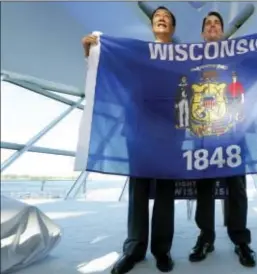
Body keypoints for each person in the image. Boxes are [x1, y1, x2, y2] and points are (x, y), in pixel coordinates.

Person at [81, 6, 177, 274]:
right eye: (158, 15)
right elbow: (109, 70)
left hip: (170, 132)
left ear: (173, 28)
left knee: (165, 195)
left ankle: (162, 250)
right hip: (139, 129)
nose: (161, 18)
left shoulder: (184, 56)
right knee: (138, 193)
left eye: (167, 17)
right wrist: (92, 53)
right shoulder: (136, 53)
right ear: (152, 24)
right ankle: (134, 249)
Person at [187, 12, 256, 268]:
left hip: (233, 132)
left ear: (223, 30)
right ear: (203, 33)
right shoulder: (191, 59)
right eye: (208, 24)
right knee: (204, 188)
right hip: (203, 134)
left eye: (217, 23)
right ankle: (206, 238)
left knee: (237, 188)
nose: (213, 26)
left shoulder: (237, 57)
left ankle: (240, 241)